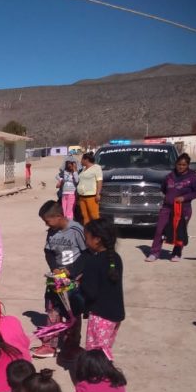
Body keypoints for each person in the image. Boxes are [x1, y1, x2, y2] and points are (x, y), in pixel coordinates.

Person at [32, 201, 87, 359]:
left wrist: (71, 271)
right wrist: (54, 268)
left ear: (58, 216)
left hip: (72, 280)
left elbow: (86, 254)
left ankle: (72, 346)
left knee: (72, 313)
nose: (46, 224)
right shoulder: (51, 232)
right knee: (52, 311)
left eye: (47, 220)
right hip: (55, 279)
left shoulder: (77, 230)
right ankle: (49, 345)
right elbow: (48, 252)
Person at [146, 152, 196, 262]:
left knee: (180, 231)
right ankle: (154, 253)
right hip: (167, 208)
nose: (181, 167)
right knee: (159, 229)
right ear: (176, 164)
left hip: (183, 209)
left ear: (187, 165)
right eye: (179, 164)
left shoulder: (192, 177)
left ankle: (177, 253)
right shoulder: (169, 176)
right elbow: (163, 189)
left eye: (184, 165)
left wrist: (185, 197)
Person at [81, 218, 124, 351]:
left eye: (86, 237)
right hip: (116, 314)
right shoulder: (115, 258)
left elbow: (91, 292)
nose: (85, 241)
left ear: (97, 239)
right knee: (105, 349)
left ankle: (99, 372)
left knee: (95, 354)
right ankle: (104, 370)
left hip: (101, 316)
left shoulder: (93, 262)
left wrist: (80, 284)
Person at [77, 152, 102, 224]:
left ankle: (98, 232)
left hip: (91, 196)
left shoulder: (96, 168)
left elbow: (99, 181)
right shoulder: (83, 169)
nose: (81, 161)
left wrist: (98, 194)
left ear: (86, 160)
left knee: (94, 216)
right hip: (82, 197)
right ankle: (88, 232)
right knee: (85, 216)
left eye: (82, 159)